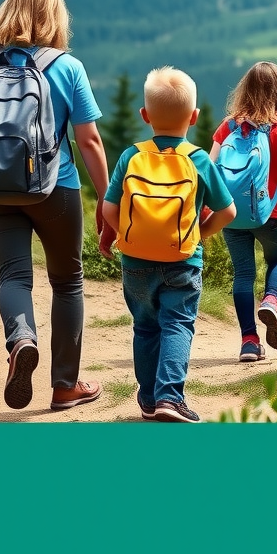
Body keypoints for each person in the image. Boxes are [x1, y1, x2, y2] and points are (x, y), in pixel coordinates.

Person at [0, 0, 110, 411]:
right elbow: (90, 141)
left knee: (15, 277)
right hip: (55, 190)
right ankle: (64, 386)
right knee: (67, 281)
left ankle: (21, 339)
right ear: (57, 18)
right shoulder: (66, 67)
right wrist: (106, 201)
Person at [99, 66, 235, 423]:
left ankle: (148, 398)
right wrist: (199, 233)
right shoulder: (199, 159)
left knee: (145, 327)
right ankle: (170, 398)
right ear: (194, 117)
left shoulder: (132, 156)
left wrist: (121, 235)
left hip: (135, 262)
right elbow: (228, 211)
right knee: (177, 324)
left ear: (145, 116)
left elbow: (109, 207)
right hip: (183, 261)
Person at [209, 61, 277, 362]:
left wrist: (209, 208)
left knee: (243, 274)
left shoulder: (230, 125)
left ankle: (249, 342)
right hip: (271, 212)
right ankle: (272, 300)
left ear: (245, 89)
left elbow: (210, 169)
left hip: (232, 214)